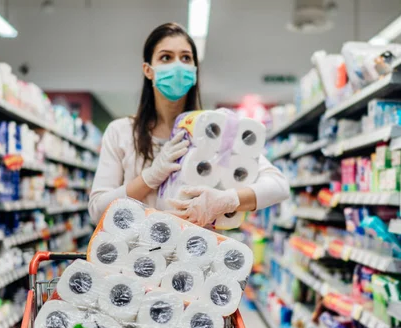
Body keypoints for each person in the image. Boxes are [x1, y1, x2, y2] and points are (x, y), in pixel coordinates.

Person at [89, 22, 289, 226]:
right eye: (166, 57)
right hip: (138, 255)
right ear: (148, 70)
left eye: (185, 58)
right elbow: (97, 210)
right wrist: (149, 178)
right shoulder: (121, 132)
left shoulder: (216, 130)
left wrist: (227, 200)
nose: (178, 66)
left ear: (194, 71)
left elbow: (279, 186)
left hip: (200, 252)